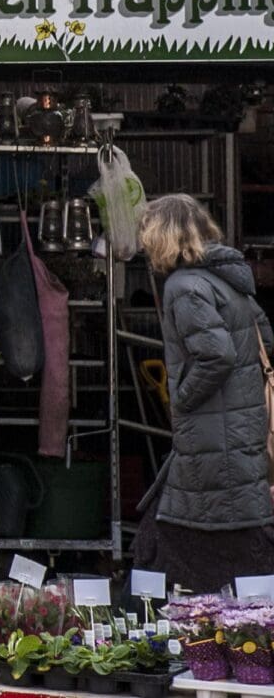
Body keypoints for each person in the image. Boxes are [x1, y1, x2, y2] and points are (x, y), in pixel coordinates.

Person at [133, 192, 274, 591]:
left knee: (171, 538)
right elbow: (264, 337)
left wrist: (183, 398)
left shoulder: (183, 286)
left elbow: (216, 354)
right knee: (227, 533)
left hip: (210, 438)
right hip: (242, 431)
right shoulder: (228, 280)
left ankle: (154, 617)